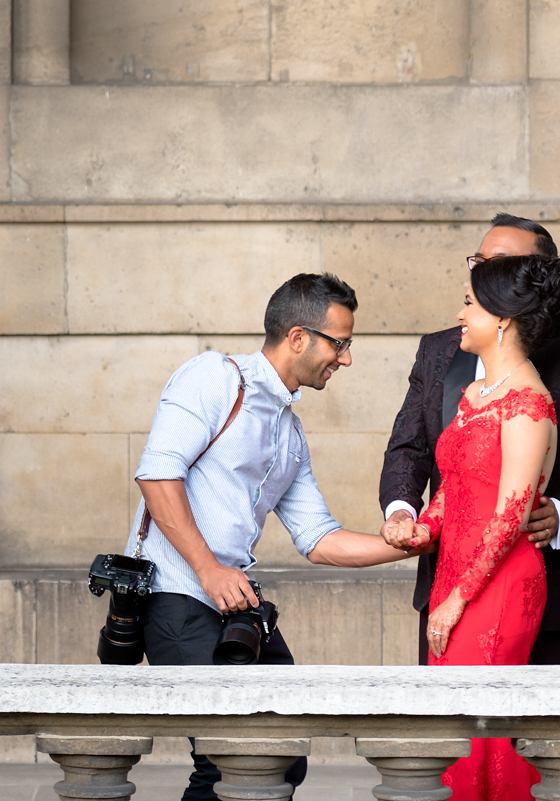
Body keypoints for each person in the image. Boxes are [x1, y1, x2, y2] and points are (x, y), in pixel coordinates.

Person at [127, 272, 413, 801]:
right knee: (231, 758)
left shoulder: (289, 430)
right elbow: (156, 476)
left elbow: (319, 538)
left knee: (281, 755)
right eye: (341, 343)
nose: (346, 359)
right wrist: (210, 569)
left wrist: (412, 543)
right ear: (299, 337)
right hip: (177, 594)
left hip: (234, 603)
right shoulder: (214, 377)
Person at [383, 254, 560, 798]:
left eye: (469, 304)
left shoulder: (528, 404)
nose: (460, 313)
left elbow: (510, 515)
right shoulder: (476, 396)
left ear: (500, 319)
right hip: (456, 575)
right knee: (451, 723)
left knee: (484, 733)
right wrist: (422, 530)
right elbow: (452, 489)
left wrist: (455, 599)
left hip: (497, 585)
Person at [379, 214, 560, 666]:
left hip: (554, 597)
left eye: (499, 264)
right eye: (478, 260)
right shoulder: (439, 350)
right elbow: (410, 448)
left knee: (536, 731)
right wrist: (405, 515)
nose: (481, 272)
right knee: (451, 724)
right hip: (446, 582)